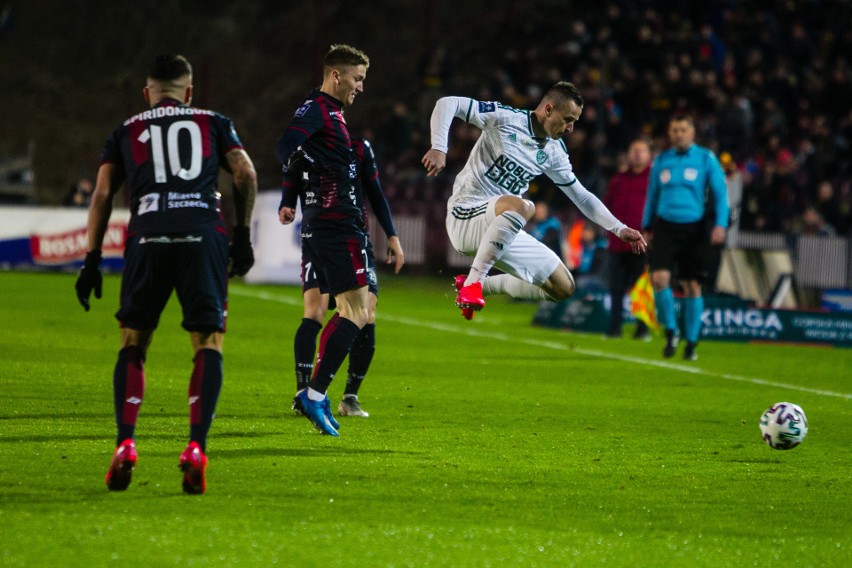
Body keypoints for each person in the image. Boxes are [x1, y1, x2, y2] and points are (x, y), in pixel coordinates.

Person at [74, 54, 258, 494]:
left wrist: (92, 259)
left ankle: (125, 443)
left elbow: (102, 195)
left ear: (147, 93)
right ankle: (195, 446)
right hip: (202, 235)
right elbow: (245, 172)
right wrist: (242, 235)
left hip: (148, 236)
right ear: (189, 92)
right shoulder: (214, 121)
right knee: (208, 342)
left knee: (133, 341)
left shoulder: (126, 130)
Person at [421, 81, 646, 320]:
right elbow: (448, 103)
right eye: (568, 119)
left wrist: (619, 228)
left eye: (575, 122)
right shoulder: (505, 119)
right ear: (548, 110)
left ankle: (478, 285)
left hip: (500, 228)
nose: (570, 128)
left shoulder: (554, 151)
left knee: (562, 286)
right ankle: (474, 283)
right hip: (465, 216)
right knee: (524, 206)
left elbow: (581, 195)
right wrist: (438, 147)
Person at [277, 44, 371, 436]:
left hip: (330, 223)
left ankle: (314, 392)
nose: (360, 87)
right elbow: (286, 147)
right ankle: (315, 394)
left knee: (348, 308)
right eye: (357, 78)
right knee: (355, 310)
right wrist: (301, 169)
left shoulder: (332, 113)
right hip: (336, 224)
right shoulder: (316, 107)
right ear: (336, 75)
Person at [288, 135, 404, 418]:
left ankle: (350, 396)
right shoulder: (303, 148)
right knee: (315, 310)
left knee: (367, 310)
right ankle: (305, 391)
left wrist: (392, 235)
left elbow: (375, 192)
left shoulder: (359, 148)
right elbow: (290, 181)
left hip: (354, 238)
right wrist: (286, 202)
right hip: (318, 238)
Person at [641, 114, 729, 361]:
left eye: (683, 130)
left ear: (692, 133)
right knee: (659, 279)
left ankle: (691, 341)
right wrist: (646, 226)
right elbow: (652, 195)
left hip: (695, 229)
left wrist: (720, 225)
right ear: (670, 134)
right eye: (675, 130)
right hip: (666, 227)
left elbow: (721, 195)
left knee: (692, 286)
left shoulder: (705, 158)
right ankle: (671, 331)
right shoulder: (662, 160)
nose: (679, 134)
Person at [603, 138, 652, 339]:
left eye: (641, 150)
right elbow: (607, 206)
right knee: (616, 287)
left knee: (640, 287)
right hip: (617, 243)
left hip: (643, 243)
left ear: (649, 155)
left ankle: (642, 329)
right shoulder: (618, 179)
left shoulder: (653, 179)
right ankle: (615, 329)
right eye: (634, 150)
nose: (637, 154)